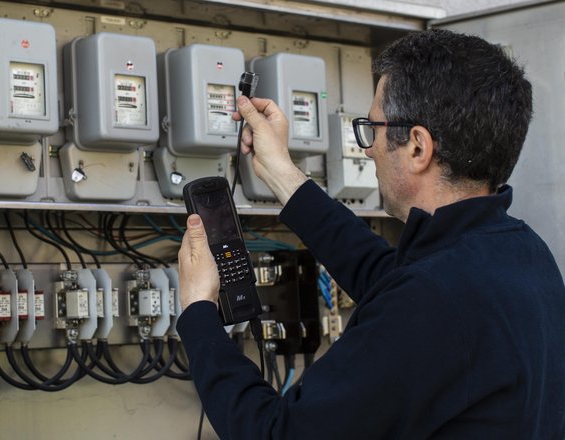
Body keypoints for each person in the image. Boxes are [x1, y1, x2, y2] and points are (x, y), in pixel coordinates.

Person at [176, 29, 565, 439]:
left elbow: (277, 434)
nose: (367, 148)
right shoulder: (524, 255)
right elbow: (388, 277)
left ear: (417, 147)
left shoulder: (432, 299)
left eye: (372, 129)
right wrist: (282, 173)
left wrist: (198, 310)